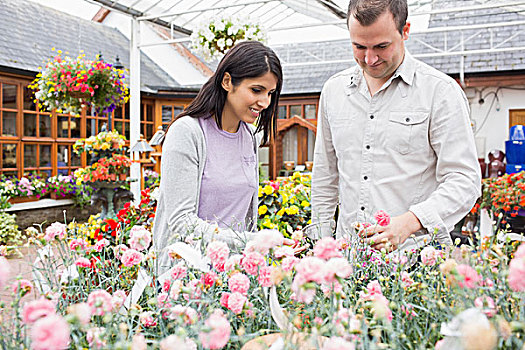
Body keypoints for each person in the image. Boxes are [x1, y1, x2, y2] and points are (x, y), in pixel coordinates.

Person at [311, 0, 481, 252]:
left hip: (414, 263)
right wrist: (320, 244)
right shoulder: (334, 91)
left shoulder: (439, 92)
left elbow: (464, 180)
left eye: (381, 46)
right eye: (359, 46)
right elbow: (325, 177)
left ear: (405, 31)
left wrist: (410, 222)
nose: (370, 59)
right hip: (347, 260)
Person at [153, 41, 283, 271]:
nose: (265, 102)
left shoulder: (249, 136)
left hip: (235, 275)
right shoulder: (188, 132)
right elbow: (181, 223)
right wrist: (251, 242)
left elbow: (246, 220)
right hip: (187, 279)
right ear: (227, 82)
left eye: (270, 93)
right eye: (256, 90)